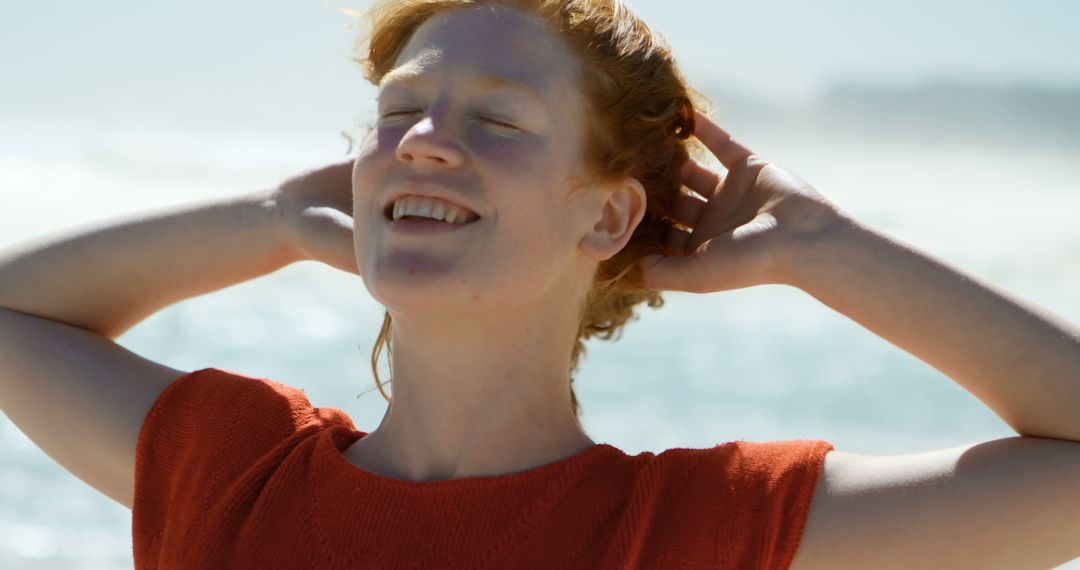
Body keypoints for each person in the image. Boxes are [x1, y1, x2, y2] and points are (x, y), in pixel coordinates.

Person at [1, 0, 1078, 568]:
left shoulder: (695, 529)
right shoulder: (234, 473)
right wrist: (277, 220)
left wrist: (821, 246)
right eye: (397, 114)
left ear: (607, 216)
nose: (421, 140)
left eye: (497, 118)